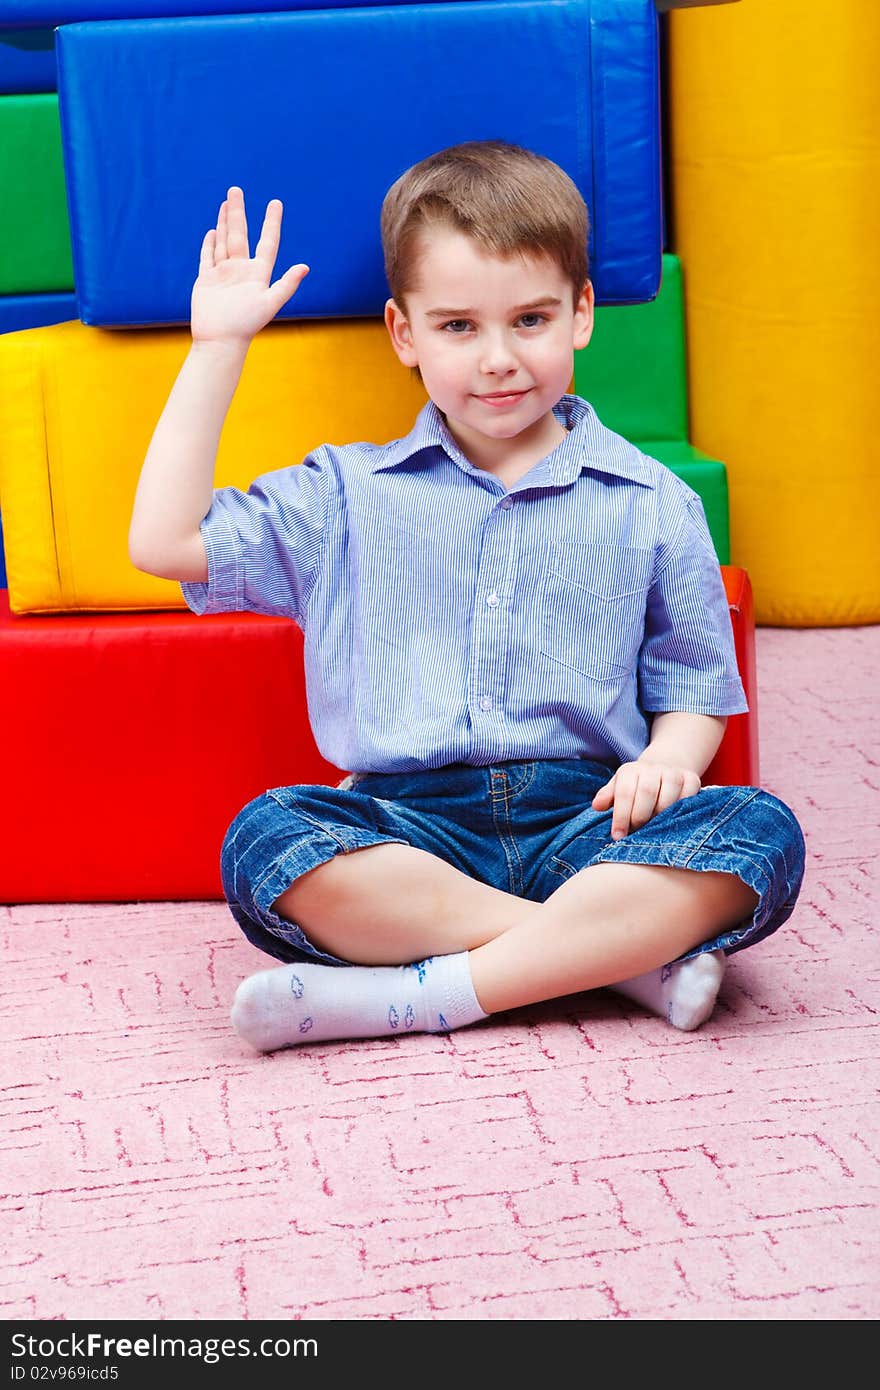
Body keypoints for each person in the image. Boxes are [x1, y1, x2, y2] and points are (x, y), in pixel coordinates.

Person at [129, 141, 805, 1054]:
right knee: (268, 840)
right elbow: (161, 543)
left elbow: (691, 685)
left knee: (758, 832)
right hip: (407, 829)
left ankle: (428, 992)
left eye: (530, 318)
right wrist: (217, 347)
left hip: (592, 819)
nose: (498, 359)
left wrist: (674, 759)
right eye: (457, 327)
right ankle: (613, 960)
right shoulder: (343, 494)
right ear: (404, 333)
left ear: (582, 315)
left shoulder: (654, 503)